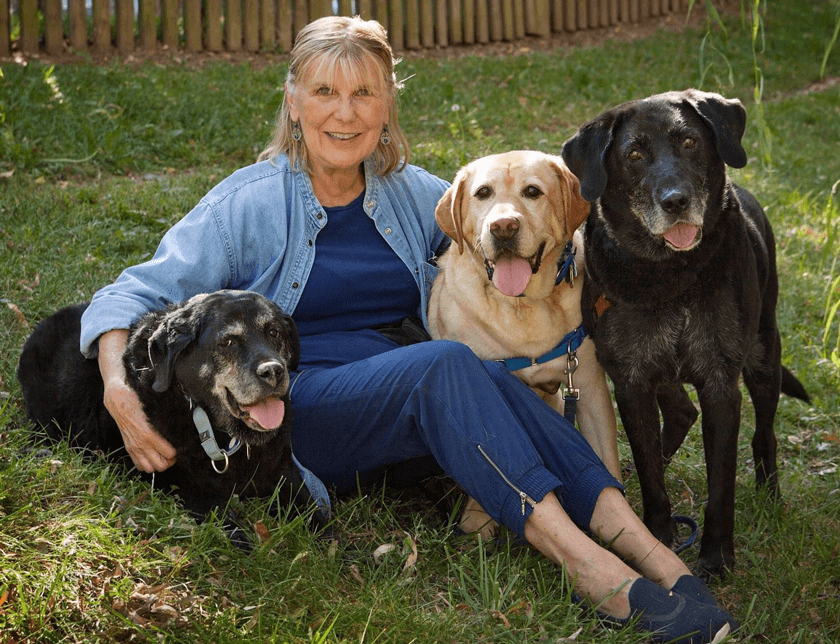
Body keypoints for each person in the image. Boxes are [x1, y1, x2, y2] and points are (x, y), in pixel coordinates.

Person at [80, 15, 738, 644]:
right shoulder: (245, 205)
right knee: (449, 364)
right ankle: (597, 576)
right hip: (291, 410)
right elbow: (132, 292)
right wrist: (116, 385)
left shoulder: (410, 194)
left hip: (401, 407)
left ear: (388, 103)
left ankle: (664, 564)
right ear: (294, 101)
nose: (345, 112)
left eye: (364, 92)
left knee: (486, 375)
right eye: (325, 92)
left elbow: (507, 215)